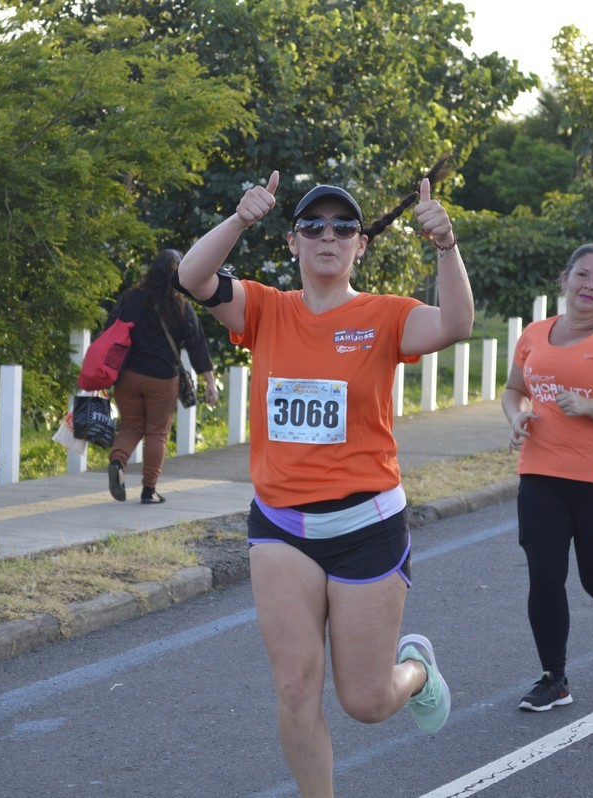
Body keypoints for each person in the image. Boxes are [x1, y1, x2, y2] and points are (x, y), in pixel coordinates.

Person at [175, 166, 473, 797]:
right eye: (312, 226)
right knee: (294, 686)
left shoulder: (386, 315)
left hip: (366, 525)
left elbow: (455, 325)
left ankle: (417, 670)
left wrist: (446, 245)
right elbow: (193, 277)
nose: (327, 236)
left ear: (361, 245)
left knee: (365, 701)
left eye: (343, 227)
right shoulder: (266, 309)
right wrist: (239, 219)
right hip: (282, 527)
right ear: (293, 243)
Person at [501, 243, 593, 713]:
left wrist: (588, 406)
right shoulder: (534, 335)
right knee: (544, 576)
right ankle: (554, 678)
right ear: (564, 280)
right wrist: (516, 417)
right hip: (540, 473)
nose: (590, 286)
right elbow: (514, 390)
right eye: (582, 275)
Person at [105, 249, 219, 504]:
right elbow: (197, 344)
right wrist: (209, 381)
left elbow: (109, 329)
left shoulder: (131, 298)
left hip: (128, 376)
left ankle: (118, 462)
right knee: (157, 433)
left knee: (131, 425)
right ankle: (149, 490)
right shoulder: (180, 304)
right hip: (162, 379)